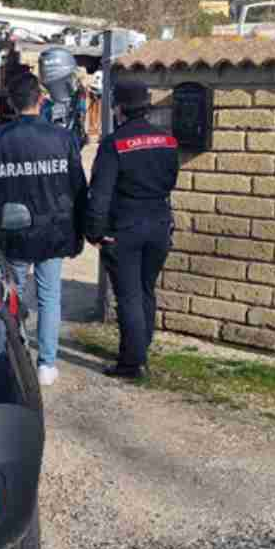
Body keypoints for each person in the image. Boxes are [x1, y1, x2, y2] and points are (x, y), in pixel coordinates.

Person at [0, 72, 88, 387]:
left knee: (12, 294)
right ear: (40, 99)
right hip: (53, 231)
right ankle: (46, 364)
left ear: (10, 103)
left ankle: (13, 356)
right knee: (50, 296)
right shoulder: (63, 139)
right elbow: (79, 188)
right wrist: (80, 230)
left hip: (11, 232)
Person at [85, 80, 181, 378]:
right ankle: (142, 348)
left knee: (128, 296)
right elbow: (170, 181)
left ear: (119, 108)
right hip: (159, 223)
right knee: (145, 290)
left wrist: (95, 232)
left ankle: (131, 363)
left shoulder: (114, 144)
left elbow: (99, 195)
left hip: (125, 227)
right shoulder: (168, 141)